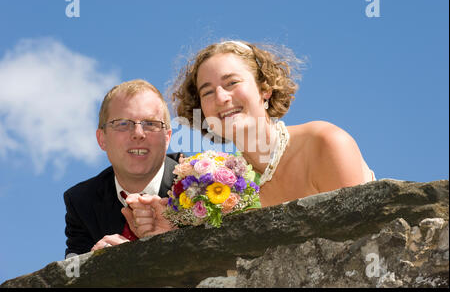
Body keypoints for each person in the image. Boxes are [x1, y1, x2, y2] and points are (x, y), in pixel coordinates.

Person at [170, 40, 375, 208]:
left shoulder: (325, 144)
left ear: (265, 88)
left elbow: (361, 235)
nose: (221, 98)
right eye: (207, 92)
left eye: (232, 83)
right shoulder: (223, 187)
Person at [64, 79, 178, 257]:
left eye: (150, 123)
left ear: (167, 138)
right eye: (123, 124)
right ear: (102, 139)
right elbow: (70, 273)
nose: (138, 134)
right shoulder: (81, 201)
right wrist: (94, 265)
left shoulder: (202, 181)